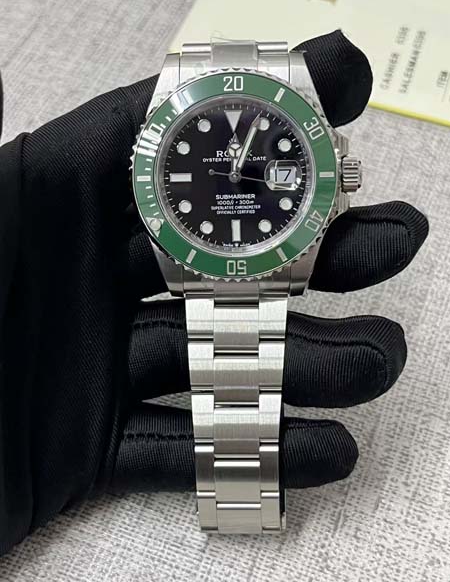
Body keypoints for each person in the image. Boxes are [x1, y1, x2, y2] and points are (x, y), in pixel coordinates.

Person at [0, 31, 428, 555]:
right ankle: (242, 496)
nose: (234, 175)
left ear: (339, 173)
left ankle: (243, 497)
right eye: (224, 170)